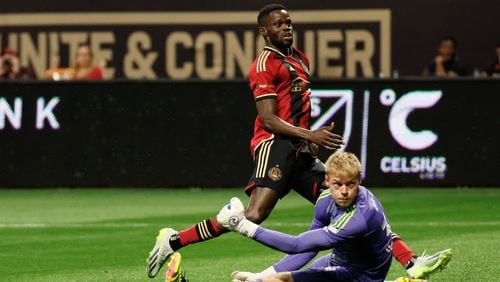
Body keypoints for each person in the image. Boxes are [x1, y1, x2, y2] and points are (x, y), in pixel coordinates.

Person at [146, 4, 451, 280]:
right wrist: (310, 135)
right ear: (264, 31)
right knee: (253, 215)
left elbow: (294, 110)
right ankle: (173, 239)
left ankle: (412, 263)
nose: (287, 28)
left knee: (353, 206)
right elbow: (268, 119)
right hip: (274, 144)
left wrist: (309, 139)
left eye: (289, 22)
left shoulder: (300, 59)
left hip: (299, 149)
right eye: (279, 24)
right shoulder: (263, 64)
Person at [219, 152, 448, 282]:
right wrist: (259, 277)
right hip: (340, 260)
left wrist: (241, 225)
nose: (345, 191)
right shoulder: (325, 200)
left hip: (361, 274)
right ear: (327, 180)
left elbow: (296, 244)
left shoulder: (361, 216)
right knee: (272, 280)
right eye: (338, 184)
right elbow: (307, 248)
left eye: (351, 184)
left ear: (359, 181)